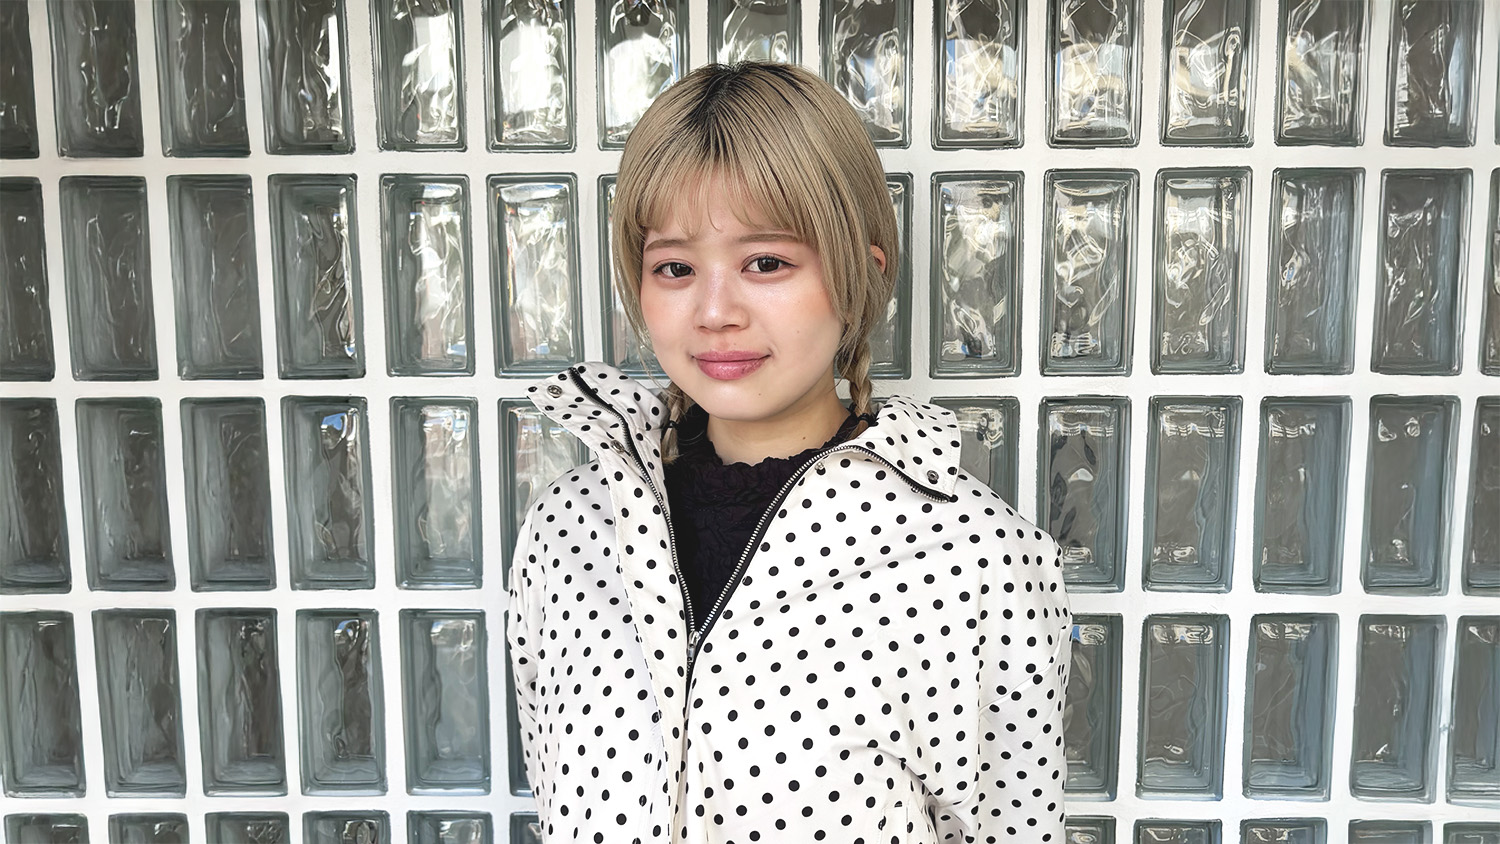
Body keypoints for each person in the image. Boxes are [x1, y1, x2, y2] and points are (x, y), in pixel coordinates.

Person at [506, 61, 1072, 844]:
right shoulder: (566, 531)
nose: (714, 312)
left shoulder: (979, 560)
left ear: (859, 273)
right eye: (675, 267)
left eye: (766, 262)